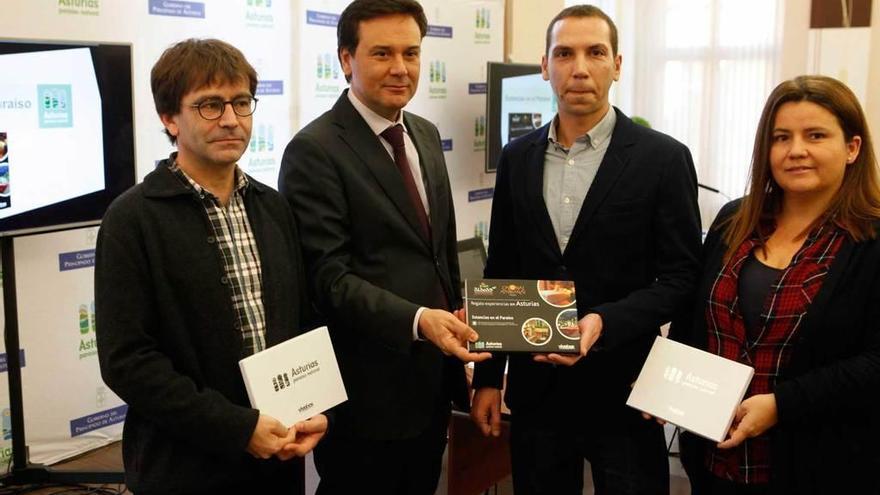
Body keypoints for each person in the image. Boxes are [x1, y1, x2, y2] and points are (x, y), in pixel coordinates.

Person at [470, 5, 702, 494]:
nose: (579, 67)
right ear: (545, 66)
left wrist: (604, 322)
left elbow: (681, 279)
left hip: (625, 391)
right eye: (564, 53)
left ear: (617, 64)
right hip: (536, 396)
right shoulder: (518, 158)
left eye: (595, 52)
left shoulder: (664, 159)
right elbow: (502, 269)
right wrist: (488, 378)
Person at [95, 38, 326, 495]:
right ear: (169, 118)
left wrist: (314, 408)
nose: (231, 119)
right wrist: (238, 428)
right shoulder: (132, 219)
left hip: (278, 460)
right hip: (184, 469)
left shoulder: (273, 207)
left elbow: (301, 322)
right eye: (209, 105)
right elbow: (127, 361)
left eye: (241, 103)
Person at [278, 1, 490, 494]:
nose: (401, 68)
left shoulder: (425, 134)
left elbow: (436, 253)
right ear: (346, 60)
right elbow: (328, 279)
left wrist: (460, 303)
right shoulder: (315, 150)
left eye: (411, 53)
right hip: (365, 395)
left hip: (431, 385)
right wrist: (419, 320)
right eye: (382, 54)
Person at [671, 75, 880, 495]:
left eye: (815, 135)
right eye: (781, 137)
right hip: (715, 462)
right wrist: (670, 385)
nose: (796, 150)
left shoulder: (871, 240)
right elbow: (694, 318)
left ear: (852, 147)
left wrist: (782, 405)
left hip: (821, 466)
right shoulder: (734, 220)